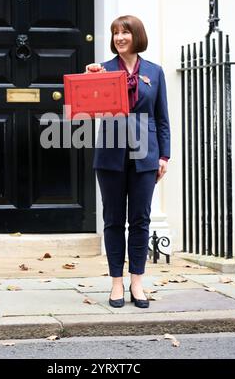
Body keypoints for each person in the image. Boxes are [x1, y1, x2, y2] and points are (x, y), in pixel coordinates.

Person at [85, 15, 170, 308]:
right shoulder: (102, 70)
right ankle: (116, 283)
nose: (120, 37)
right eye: (115, 33)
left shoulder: (155, 73)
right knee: (113, 220)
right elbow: (86, 110)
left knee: (140, 219)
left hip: (146, 154)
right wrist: (90, 80)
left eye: (125, 32)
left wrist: (164, 155)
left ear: (137, 36)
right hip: (110, 155)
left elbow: (161, 118)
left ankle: (137, 282)